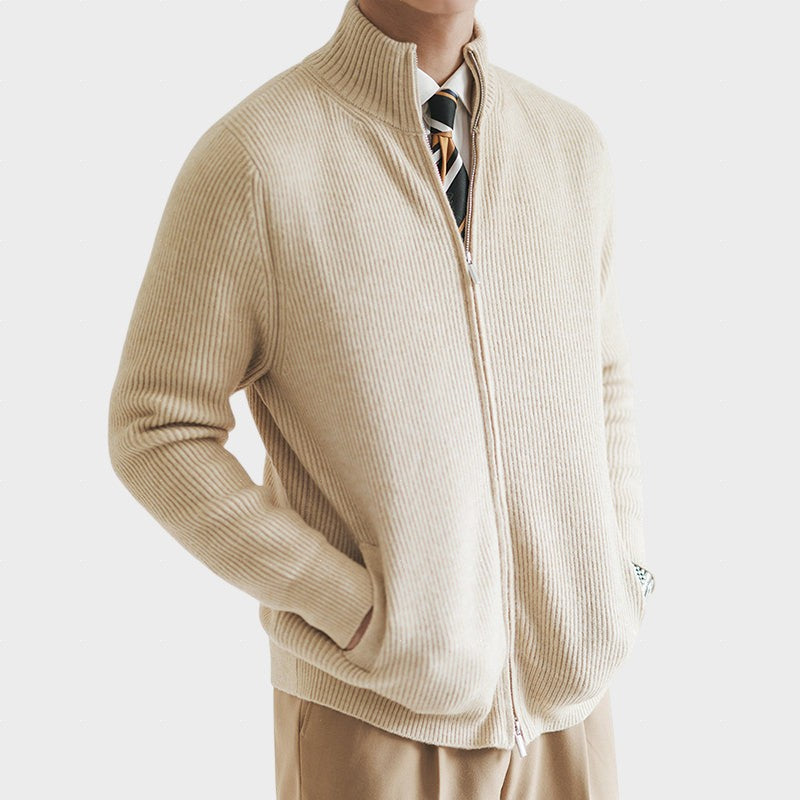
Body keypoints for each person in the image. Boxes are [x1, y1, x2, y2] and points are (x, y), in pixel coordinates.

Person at [107, 0, 656, 796]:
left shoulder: (570, 148)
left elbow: (602, 375)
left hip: (572, 711)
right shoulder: (258, 161)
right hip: (375, 719)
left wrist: (620, 573)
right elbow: (155, 424)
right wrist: (352, 610)